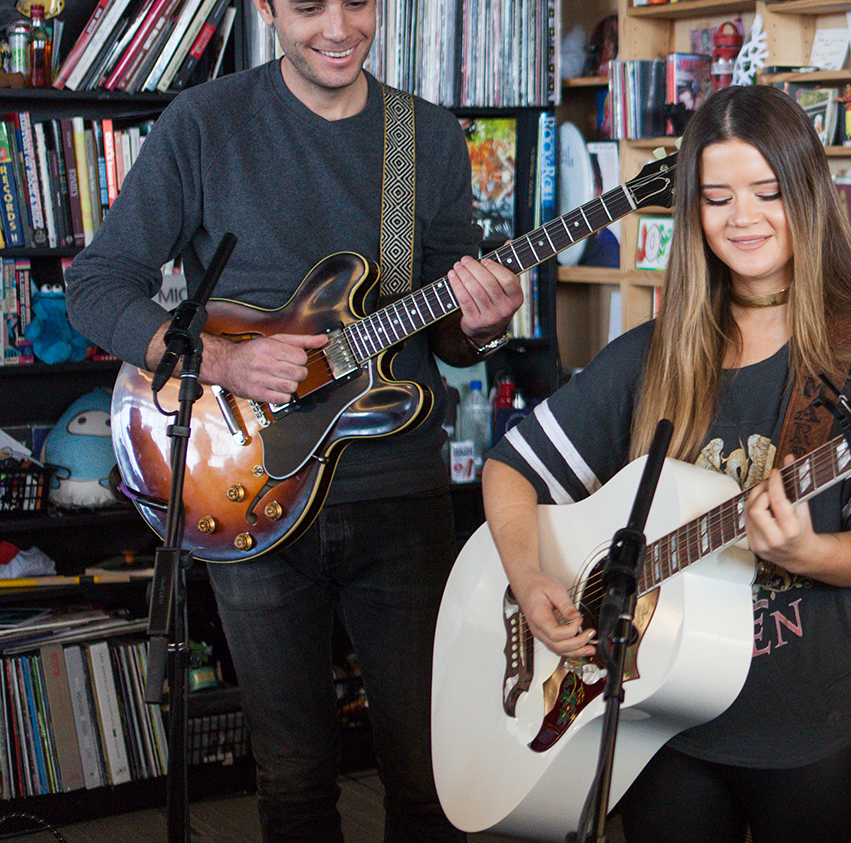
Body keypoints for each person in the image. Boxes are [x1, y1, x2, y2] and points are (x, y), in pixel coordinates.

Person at [64, 1, 523, 841]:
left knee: (432, 770)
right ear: (267, 9)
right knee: (294, 773)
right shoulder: (206, 122)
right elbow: (98, 285)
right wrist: (222, 360)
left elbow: (449, 334)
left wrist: (483, 322)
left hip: (398, 492)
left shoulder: (423, 136)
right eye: (309, 6)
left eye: (358, 3)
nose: (338, 27)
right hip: (249, 485)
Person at [481, 84, 851, 843]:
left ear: (807, 195)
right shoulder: (657, 353)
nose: (742, 217)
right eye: (716, 197)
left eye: (767, 191)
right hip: (660, 725)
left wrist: (809, 550)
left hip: (812, 733)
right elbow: (511, 466)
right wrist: (528, 574)